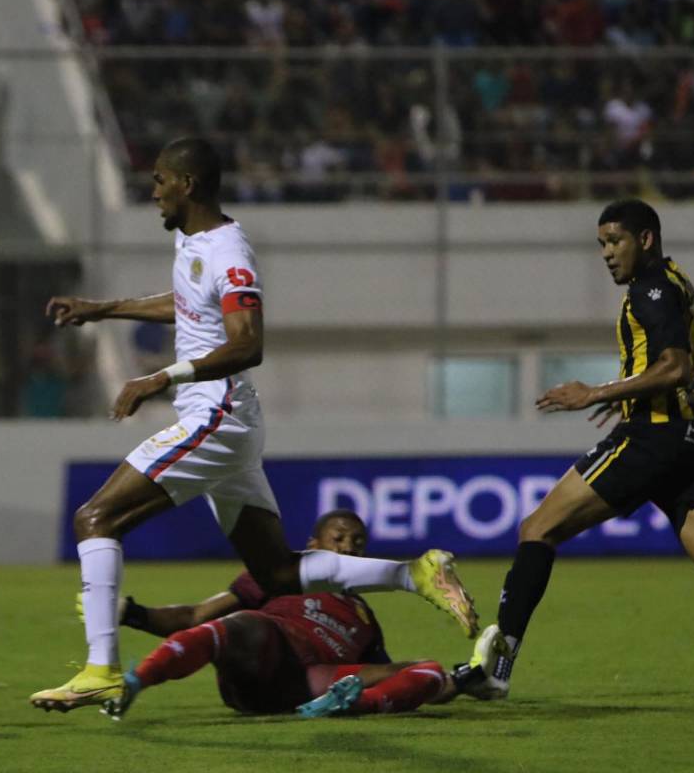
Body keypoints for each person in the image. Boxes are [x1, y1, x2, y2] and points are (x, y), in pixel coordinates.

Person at [32, 136, 479, 712]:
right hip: (228, 419)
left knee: (95, 517)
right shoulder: (194, 241)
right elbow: (192, 302)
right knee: (274, 571)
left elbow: (248, 344)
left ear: (187, 185)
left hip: (215, 412)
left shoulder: (230, 251)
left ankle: (101, 668)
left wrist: (159, 378)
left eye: (160, 182)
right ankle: (411, 574)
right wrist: (105, 308)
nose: (154, 194)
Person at [472, 198, 694, 700]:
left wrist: (598, 392)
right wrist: (643, 387)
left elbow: (674, 366)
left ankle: (496, 667)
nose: (606, 253)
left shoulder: (648, 290)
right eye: (602, 243)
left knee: (537, 529)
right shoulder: (678, 284)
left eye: (615, 241)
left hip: (656, 438)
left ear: (645, 239)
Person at [99, 510, 505, 720]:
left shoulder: (364, 616)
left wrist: (460, 681)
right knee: (237, 627)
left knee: (427, 671)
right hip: (261, 658)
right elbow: (195, 616)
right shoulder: (280, 573)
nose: (348, 548)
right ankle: (136, 681)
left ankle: (346, 708)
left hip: (306, 686)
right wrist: (131, 613)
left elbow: (398, 681)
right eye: (339, 538)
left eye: (358, 542)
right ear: (314, 543)